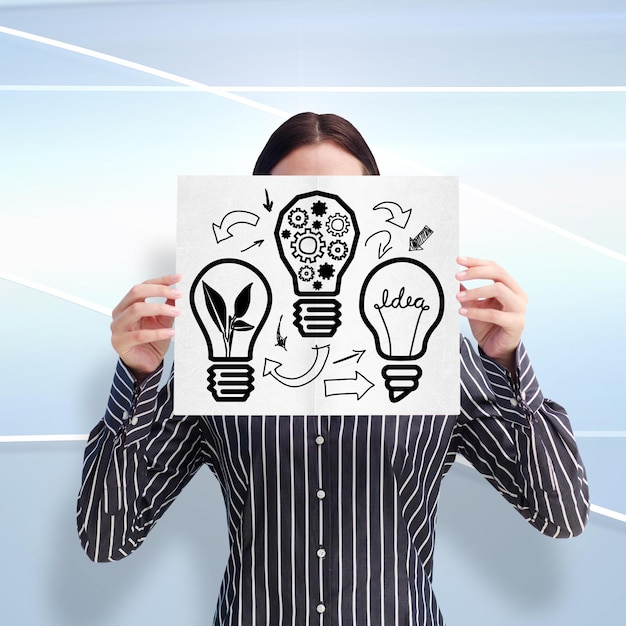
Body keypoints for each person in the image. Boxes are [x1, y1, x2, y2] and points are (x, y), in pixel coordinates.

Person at [77, 112, 589, 626]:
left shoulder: (434, 355)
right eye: (294, 206)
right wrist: (137, 380)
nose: (317, 229)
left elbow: (560, 513)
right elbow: (106, 536)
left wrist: (504, 363)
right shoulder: (220, 355)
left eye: (343, 204)